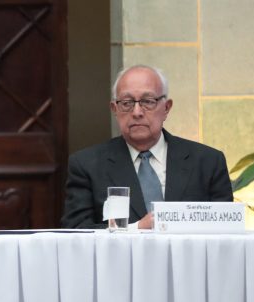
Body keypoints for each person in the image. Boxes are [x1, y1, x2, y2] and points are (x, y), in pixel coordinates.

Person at [61, 65, 232, 229]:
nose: (137, 112)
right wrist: (137, 228)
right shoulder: (87, 165)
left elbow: (225, 231)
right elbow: (77, 231)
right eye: (127, 103)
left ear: (166, 108)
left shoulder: (207, 162)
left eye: (148, 101)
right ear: (114, 109)